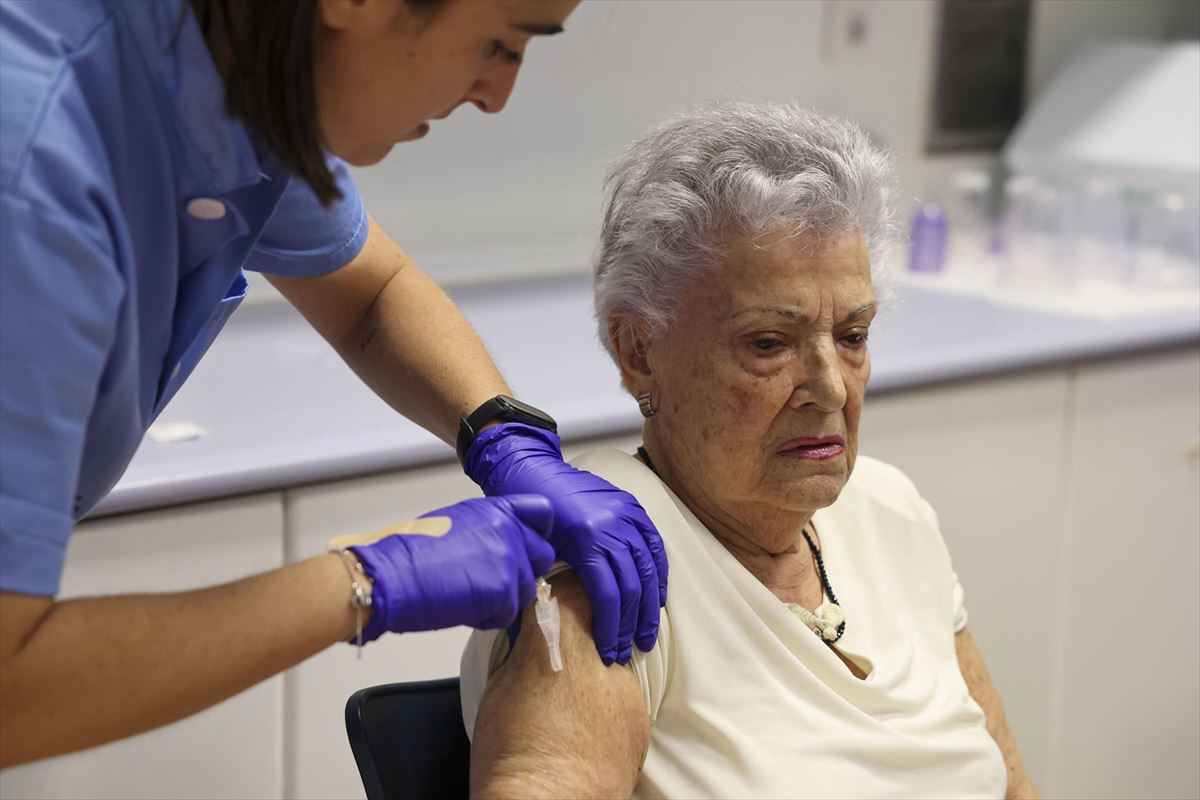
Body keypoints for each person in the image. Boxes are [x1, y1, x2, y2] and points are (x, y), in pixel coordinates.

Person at [0, 0, 667, 769]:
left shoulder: (238, 83)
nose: (496, 94)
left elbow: (371, 294)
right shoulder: (35, 178)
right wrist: (361, 581)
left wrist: (503, 435)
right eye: (500, 42)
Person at [460, 103, 1041, 799]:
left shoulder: (893, 513)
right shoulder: (608, 567)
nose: (829, 388)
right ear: (638, 349)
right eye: (769, 343)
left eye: (853, 336)